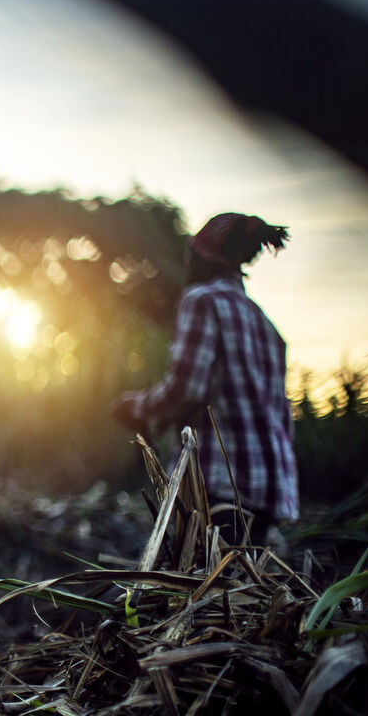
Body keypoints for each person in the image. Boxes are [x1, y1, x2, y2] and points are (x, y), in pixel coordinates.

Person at [112, 213, 298, 546]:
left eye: (191, 257)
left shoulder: (201, 301)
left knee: (201, 589)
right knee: (242, 589)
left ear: (204, 258)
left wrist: (137, 407)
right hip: (269, 491)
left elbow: (187, 388)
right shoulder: (265, 324)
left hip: (222, 487)